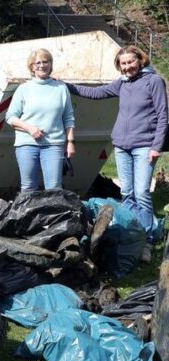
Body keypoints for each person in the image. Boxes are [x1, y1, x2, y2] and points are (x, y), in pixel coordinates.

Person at [65, 45, 167, 261]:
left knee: (141, 193)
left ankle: (146, 241)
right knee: (128, 193)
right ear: (119, 66)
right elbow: (95, 93)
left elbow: (162, 116)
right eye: (123, 64)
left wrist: (156, 146)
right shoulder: (121, 83)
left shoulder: (153, 81)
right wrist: (65, 85)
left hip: (144, 146)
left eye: (131, 62)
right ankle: (132, 234)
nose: (128, 67)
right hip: (121, 145)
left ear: (140, 60)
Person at [5, 48, 75, 192]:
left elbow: (68, 117)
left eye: (45, 62)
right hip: (26, 144)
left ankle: (54, 214)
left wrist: (70, 142)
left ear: (50, 64)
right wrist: (30, 128)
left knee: (54, 188)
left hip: (53, 144)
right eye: (38, 63)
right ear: (31, 67)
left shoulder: (61, 88)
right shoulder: (23, 89)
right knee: (28, 187)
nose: (42, 65)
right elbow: (10, 117)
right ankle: (28, 215)